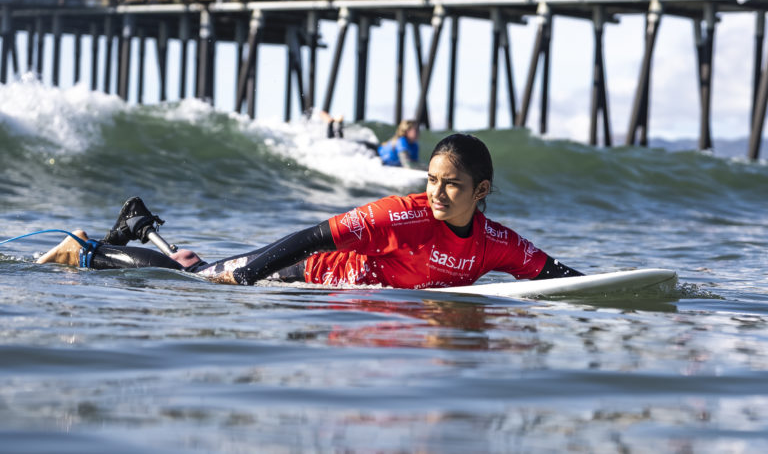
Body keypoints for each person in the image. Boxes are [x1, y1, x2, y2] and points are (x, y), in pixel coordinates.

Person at [37, 134, 582, 288]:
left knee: (197, 268)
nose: (438, 194)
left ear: (481, 190)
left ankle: (137, 227)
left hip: (333, 289)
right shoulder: (402, 214)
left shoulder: (494, 242)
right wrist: (252, 272)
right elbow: (317, 234)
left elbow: (553, 274)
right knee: (202, 280)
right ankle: (88, 249)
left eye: (453, 185)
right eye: (432, 180)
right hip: (307, 274)